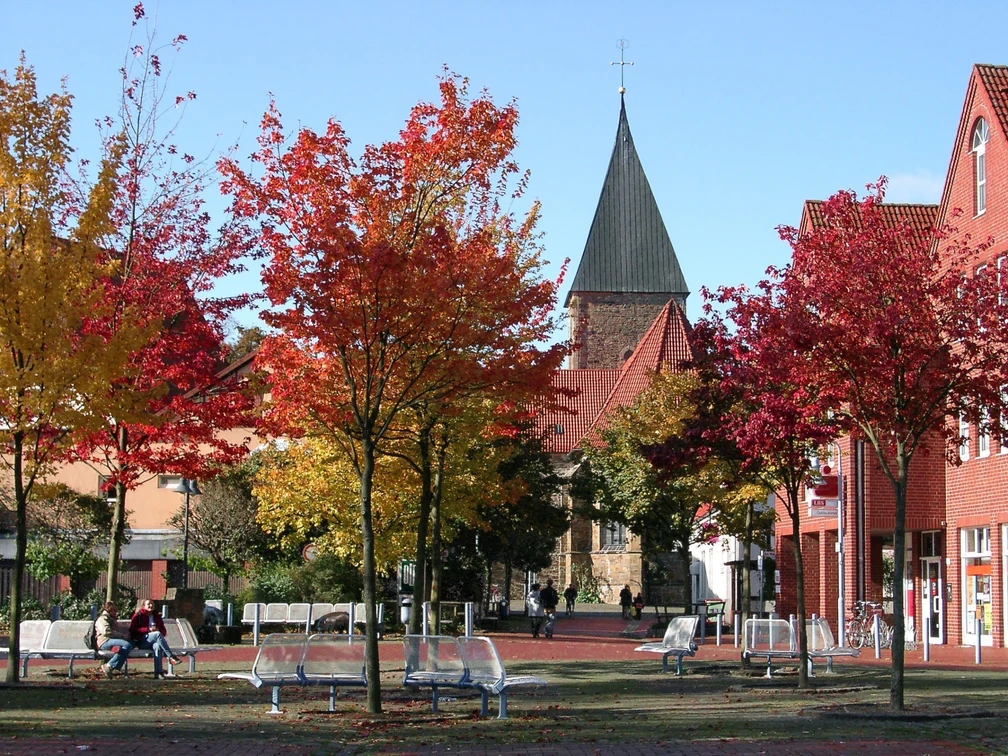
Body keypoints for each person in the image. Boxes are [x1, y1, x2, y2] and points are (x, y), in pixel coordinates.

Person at [129, 598, 182, 678]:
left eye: (152, 604)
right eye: (148, 604)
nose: (150, 605)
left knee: (157, 646)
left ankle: (158, 672)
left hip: (154, 640)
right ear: (143, 606)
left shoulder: (157, 616)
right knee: (157, 634)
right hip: (141, 640)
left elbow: (163, 631)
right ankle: (170, 656)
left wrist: (158, 630)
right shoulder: (138, 616)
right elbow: (133, 629)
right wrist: (148, 630)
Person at [95, 602, 134, 679]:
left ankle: (110, 668)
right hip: (104, 641)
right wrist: (122, 636)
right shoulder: (102, 619)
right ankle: (109, 665)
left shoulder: (111, 618)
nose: (116, 612)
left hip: (111, 640)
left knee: (127, 646)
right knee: (127, 645)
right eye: (114, 610)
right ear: (109, 610)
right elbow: (106, 631)